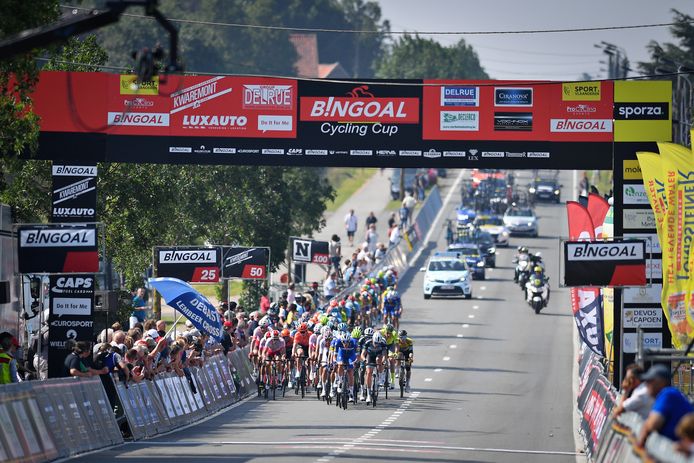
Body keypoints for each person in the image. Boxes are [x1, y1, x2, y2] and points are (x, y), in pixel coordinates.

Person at [638, 364, 694, 447]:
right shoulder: (667, 394)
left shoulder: (668, 394)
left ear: (661, 382)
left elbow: (653, 424)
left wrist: (641, 440)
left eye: (650, 380)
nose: (646, 384)